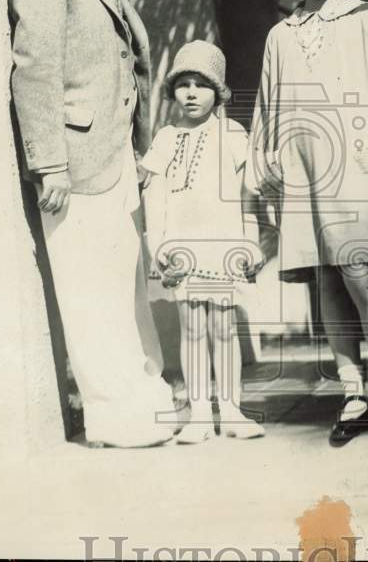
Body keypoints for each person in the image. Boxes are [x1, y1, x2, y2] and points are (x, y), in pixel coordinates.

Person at [9, 0, 173, 448]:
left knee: (124, 282)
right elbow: (34, 69)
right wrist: (48, 162)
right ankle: (114, 416)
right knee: (88, 291)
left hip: (116, 155)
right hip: (75, 162)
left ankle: (146, 395)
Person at [248, 0, 368, 456]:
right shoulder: (279, 35)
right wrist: (266, 161)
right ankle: (352, 390)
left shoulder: (366, 19)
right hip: (303, 169)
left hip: (359, 165)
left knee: (362, 271)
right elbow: (268, 109)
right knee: (328, 281)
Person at [142, 40, 266, 444]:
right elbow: (153, 198)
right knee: (191, 329)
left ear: (219, 91)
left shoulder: (232, 134)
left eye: (202, 84)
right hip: (181, 251)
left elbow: (248, 196)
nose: (192, 93)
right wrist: (159, 247)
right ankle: (198, 413)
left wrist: (251, 242)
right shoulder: (164, 140)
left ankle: (230, 410)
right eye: (184, 84)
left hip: (222, 247)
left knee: (223, 328)